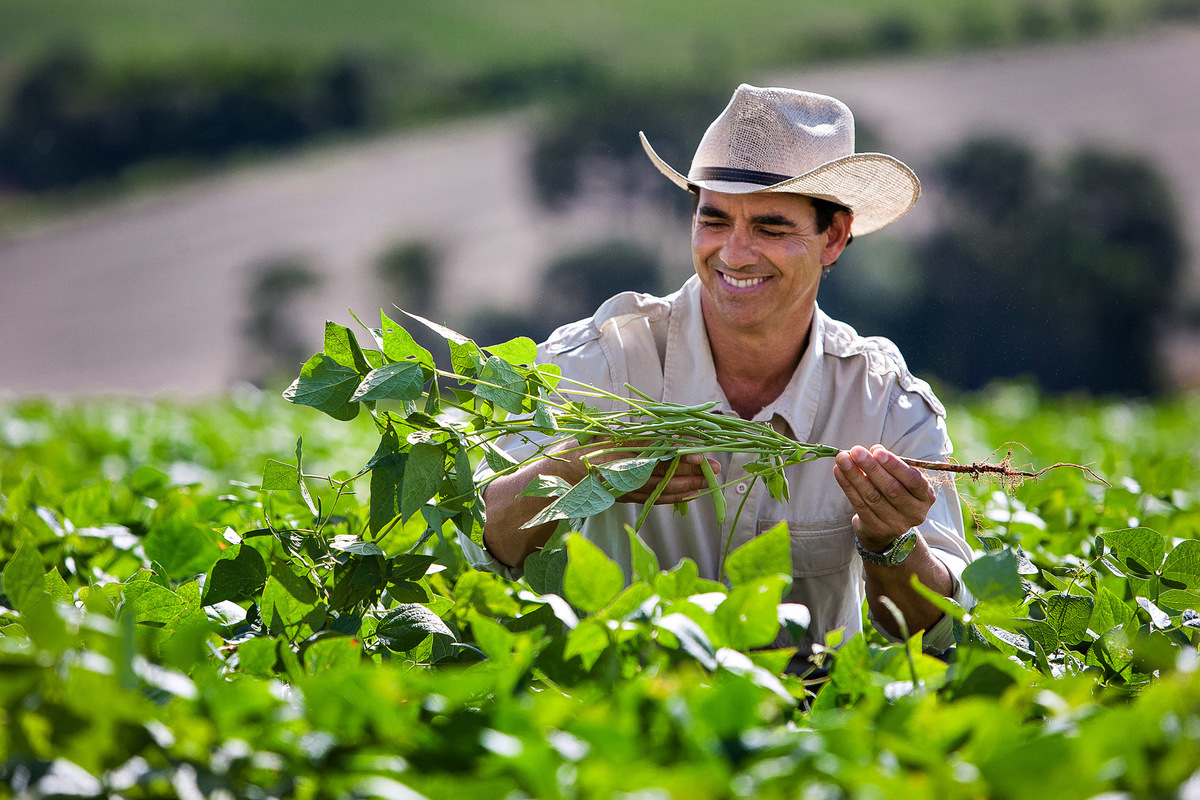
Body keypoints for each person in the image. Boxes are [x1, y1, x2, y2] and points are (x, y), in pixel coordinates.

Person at [462, 84, 975, 659]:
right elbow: (485, 545)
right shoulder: (598, 363)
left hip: (808, 726)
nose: (733, 253)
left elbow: (942, 633)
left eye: (770, 227)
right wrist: (585, 465)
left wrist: (891, 545)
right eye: (715, 220)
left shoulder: (884, 403)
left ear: (832, 237)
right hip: (615, 713)